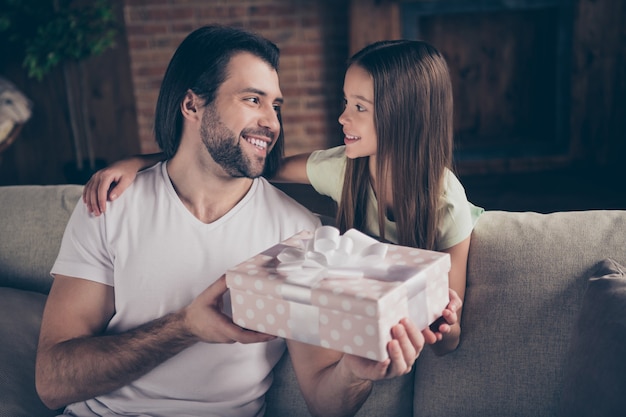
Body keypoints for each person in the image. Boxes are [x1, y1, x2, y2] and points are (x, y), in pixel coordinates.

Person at [36, 26, 452, 417]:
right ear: (192, 104)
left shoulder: (298, 234)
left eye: (276, 105)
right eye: (253, 100)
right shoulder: (112, 206)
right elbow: (52, 382)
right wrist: (184, 327)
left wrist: (353, 374)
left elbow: (327, 400)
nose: (271, 122)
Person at [83, 38, 480, 356]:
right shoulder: (339, 168)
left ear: (403, 117)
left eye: (359, 107)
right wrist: (141, 161)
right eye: (345, 102)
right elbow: (251, 160)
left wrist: (447, 325)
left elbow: (448, 339)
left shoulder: (446, 202)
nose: (342, 118)